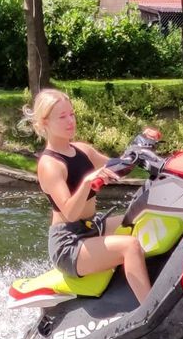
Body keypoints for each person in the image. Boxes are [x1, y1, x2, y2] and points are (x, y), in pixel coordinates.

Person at [30, 88, 151, 306]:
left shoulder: (82, 150)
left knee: (141, 218)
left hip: (91, 226)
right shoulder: (50, 165)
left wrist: (140, 148)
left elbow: (119, 168)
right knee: (129, 246)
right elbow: (70, 212)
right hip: (69, 243)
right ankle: (151, 311)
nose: (70, 121)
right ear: (44, 122)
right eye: (62, 117)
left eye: (72, 114)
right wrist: (87, 182)